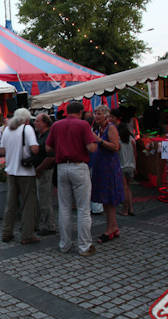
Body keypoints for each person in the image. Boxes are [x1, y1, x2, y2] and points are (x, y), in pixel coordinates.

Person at [46, 101, 98, 257]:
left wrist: (61, 150)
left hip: (62, 167)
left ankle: (65, 244)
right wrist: (95, 142)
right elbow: (91, 148)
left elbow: (48, 148)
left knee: (64, 208)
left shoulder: (56, 125)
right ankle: (84, 246)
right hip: (79, 166)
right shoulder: (83, 125)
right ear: (80, 112)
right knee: (83, 209)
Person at [0, 108, 40, 245]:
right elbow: (34, 148)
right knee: (28, 204)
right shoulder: (27, 129)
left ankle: (6, 232)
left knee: (11, 204)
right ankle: (27, 235)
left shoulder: (7, 130)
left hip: (11, 171)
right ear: (26, 119)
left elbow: (2, 150)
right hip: (26, 172)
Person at [90, 105, 124, 243]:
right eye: (95, 113)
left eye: (99, 114)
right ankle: (113, 227)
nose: (96, 116)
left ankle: (110, 229)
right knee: (105, 199)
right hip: (101, 166)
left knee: (110, 199)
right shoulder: (99, 129)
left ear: (106, 116)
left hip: (109, 167)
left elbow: (115, 146)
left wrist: (99, 140)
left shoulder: (111, 128)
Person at [33, 113, 56, 236]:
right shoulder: (40, 135)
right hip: (40, 169)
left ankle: (49, 226)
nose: (35, 123)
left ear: (45, 123)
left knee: (44, 199)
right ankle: (44, 223)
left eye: (37, 121)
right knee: (41, 198)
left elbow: (51, 157)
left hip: (45, 170)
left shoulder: (48, 136)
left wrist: (39, 168)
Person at [111, 108, 137, 216]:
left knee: (124, 187)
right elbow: (135, 151)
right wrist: (135, 165)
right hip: (131, 165)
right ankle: (131, 208)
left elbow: (116, 150)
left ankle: (125, 209)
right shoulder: (130, 137)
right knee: (128, 188)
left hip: (121, 165)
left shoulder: (117, 138)